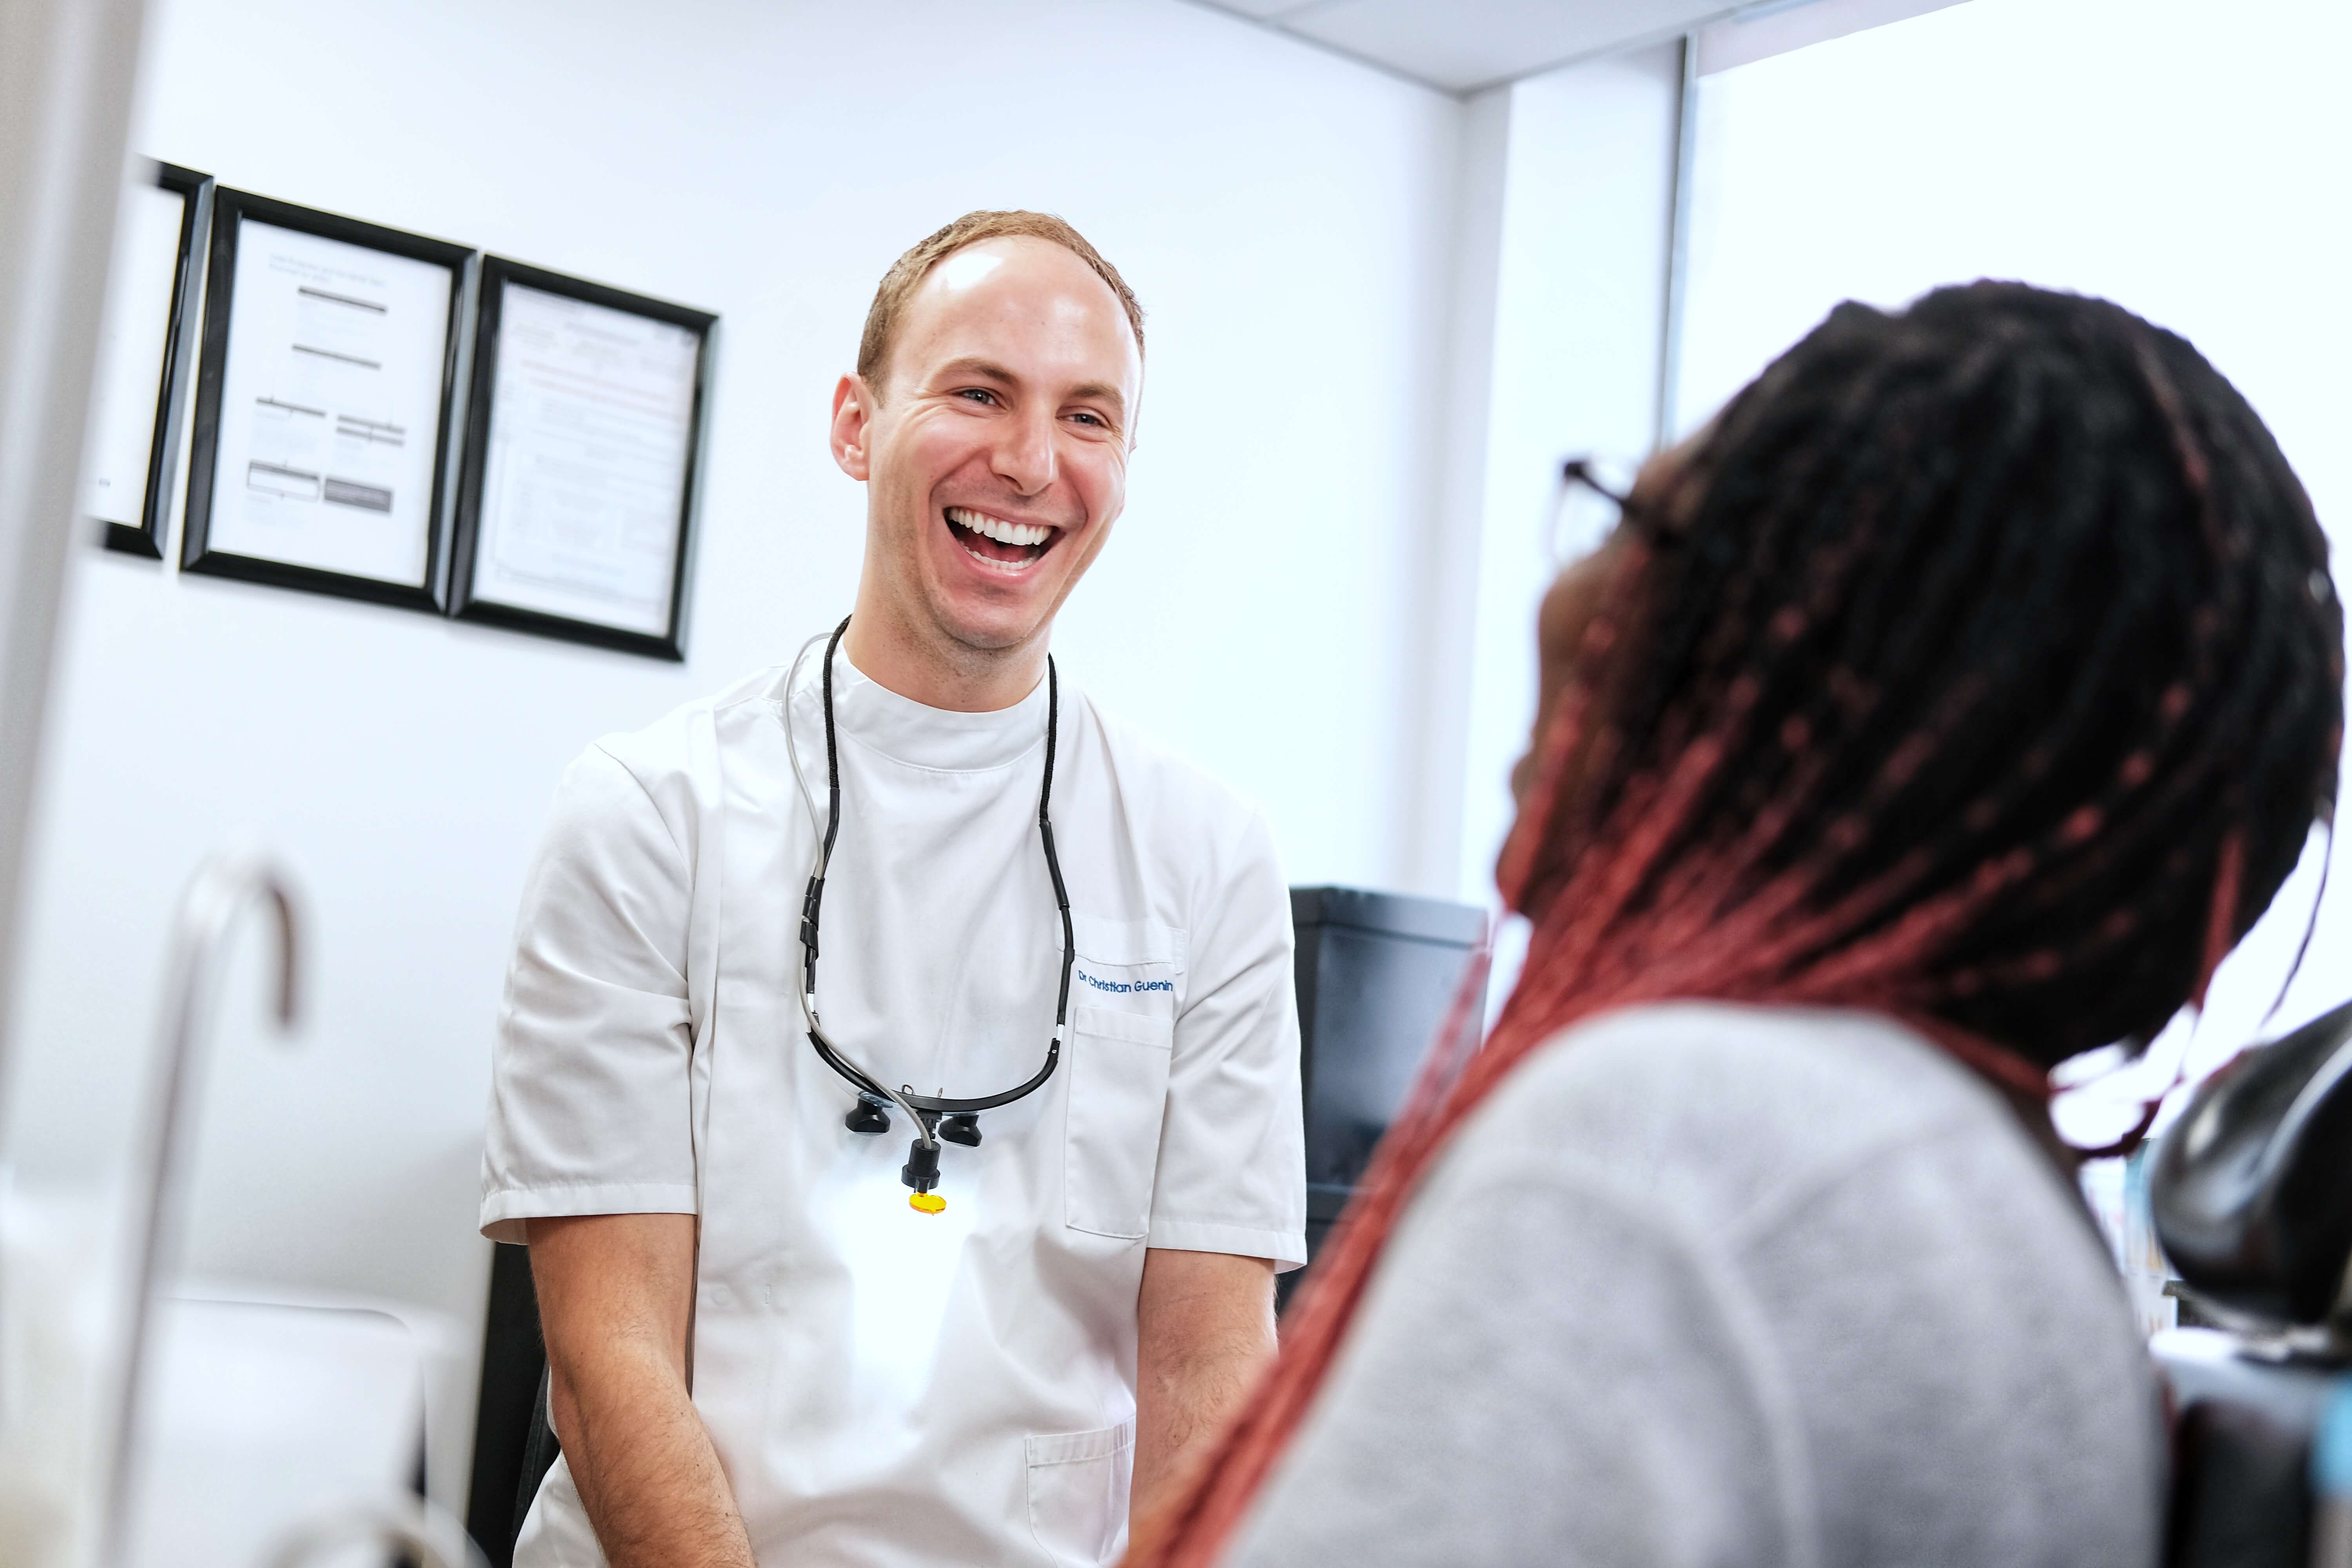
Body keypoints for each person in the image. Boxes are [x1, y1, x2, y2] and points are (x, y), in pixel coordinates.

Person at [1126, 283, 2345, 1568]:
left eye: (1633, 528)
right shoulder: (1961, 1193)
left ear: (1835, 678)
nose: (1563, 608)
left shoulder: (1690, 1149)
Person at [480, 211, 1306, 1568]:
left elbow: (1211, 1368)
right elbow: (608, 1356)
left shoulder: (1206, 858)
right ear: (857, 426)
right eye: (979, 392)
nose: (1031, 463)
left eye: (1087, 418)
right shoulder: (647, 814)